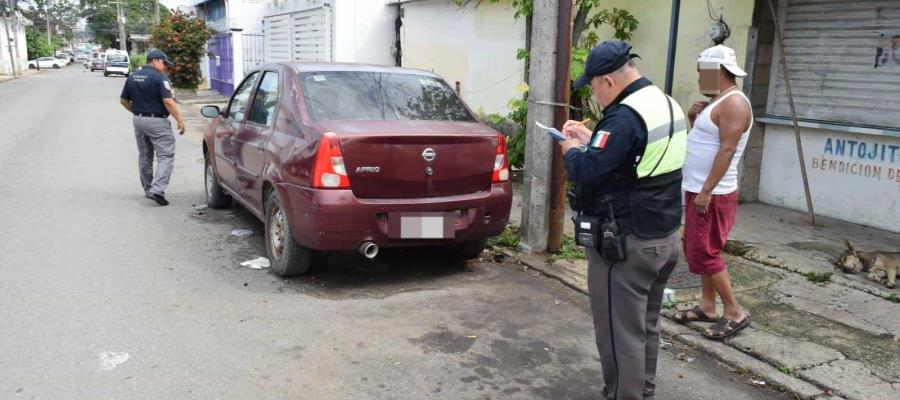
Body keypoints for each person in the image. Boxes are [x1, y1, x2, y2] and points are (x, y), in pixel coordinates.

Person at [561, 40, 687, 400]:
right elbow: (634, 158)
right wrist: (592, 138)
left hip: (625, 247)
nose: (596, 95)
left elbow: (587, 170)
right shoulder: (665, 103)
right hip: (663, 237)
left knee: (620, 335)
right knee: (644, 327)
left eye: (595, 87)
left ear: (609, 83)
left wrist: (571, 148)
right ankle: (643, 392)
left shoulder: (623, 116)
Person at [672, 45, 753, 340]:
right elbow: (707, 142)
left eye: (701, 74)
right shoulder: (718, 102)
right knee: (699, 248)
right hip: (699, 189)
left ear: (717, 72)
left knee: (704, 251)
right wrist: (696, 120)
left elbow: (727, 149)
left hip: (713, 194)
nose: (698, 80)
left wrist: (707, 191)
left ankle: (734, 312)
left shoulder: (734, 104)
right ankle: (708, 306)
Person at [119, 49, 186, 206]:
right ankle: (157, 190)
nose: (165, 68)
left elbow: (123, 100)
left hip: (138, 120)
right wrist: (180, 120)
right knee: (165, 156)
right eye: (164, 63)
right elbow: (168, 101)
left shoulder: (133, 76)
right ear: (155, 61)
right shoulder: (159, 77)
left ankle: (148, 189)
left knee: (144, 156)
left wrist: (136, 112)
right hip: (157, 122)